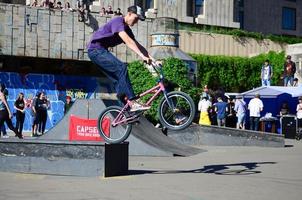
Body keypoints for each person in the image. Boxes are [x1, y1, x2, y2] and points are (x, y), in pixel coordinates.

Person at [87, 5, 155, 112]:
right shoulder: (118, 22)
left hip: (100, 51)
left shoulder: (127, 29)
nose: (136, 21)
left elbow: (138, 46)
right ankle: (133, 101)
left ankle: (125, 110)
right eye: (136, 18)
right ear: (129, 14)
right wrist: (142, 57)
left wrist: (153, 59)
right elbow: (128, 42)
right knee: (122, 67)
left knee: (118, 80)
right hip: (96, 50)